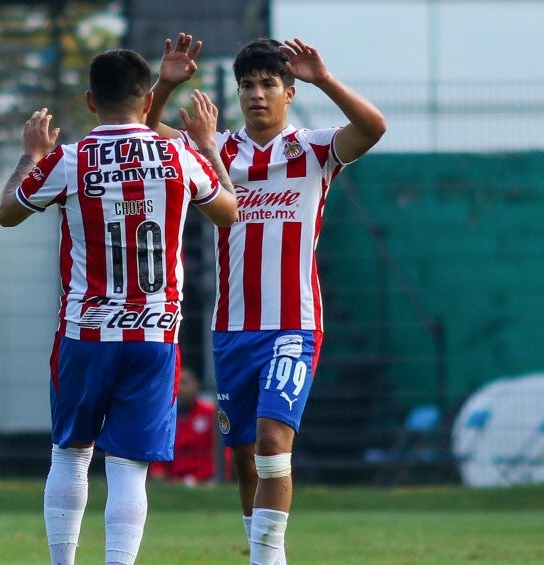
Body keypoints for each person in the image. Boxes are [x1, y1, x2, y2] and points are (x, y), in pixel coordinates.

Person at [147, 33, 386, 563]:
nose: (257, 94)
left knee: (274, 442)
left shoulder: (314, 149)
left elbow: (373, 127)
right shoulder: (215, 147)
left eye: (268, 84)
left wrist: (325, 79)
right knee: (244, 457)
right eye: (248, 85)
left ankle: (266, 558)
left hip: (293, 325)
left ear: (288, 92)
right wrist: (164, 84)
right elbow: (144, 127)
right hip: (232, 328)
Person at [0, 47, 237, 565]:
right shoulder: (178, 156)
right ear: (148, 100)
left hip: (86, 332)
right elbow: (228, 211)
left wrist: (30, 155)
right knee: (128, 466)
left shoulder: (69, 159)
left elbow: (7, 213)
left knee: (70, 454)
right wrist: (207, 144)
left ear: (90, 101)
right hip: (153, 333)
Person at [149, 367, 231, 485]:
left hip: (207, 479)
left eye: (183, 382)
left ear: (196, 385)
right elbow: (160, 455)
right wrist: (159, 472)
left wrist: (198, 479)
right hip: (174, 481)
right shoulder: (165, 418)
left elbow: (225, 454)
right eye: (175, 383)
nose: (179, 387)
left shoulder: (212, 414)